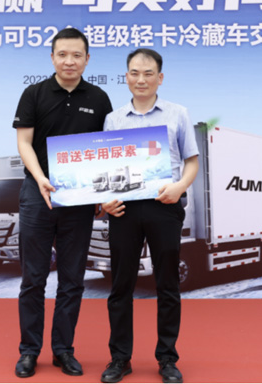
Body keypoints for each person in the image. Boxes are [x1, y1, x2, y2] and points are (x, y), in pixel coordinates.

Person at [12, 27, 112, 378]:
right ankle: (29, 351)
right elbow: (24, 143)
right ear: (52, 57)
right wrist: (40, 177)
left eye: (77, 55)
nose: (70, 61)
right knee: (33, 279)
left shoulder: (99, 98)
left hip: (80, 201)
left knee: (72, 280)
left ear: (87, 59)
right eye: (63, 54)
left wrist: (101, 192)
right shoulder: (34, 94)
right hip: (37, 195)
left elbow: (105, 150)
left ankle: (63, 350)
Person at [100, 49, 199, 384]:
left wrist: (180, 187)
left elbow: (191, 161)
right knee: (121, 285)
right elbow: (105, 169)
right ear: (126, 76)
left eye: (148, 73)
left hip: (164, 205)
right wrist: (105, 200)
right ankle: (120, 358)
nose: (140, 79)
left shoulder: (177, 114)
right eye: (134, 73)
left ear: (160, 77)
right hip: (124, 209)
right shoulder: (114, 120)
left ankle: (167, 358)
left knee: (167, 283)